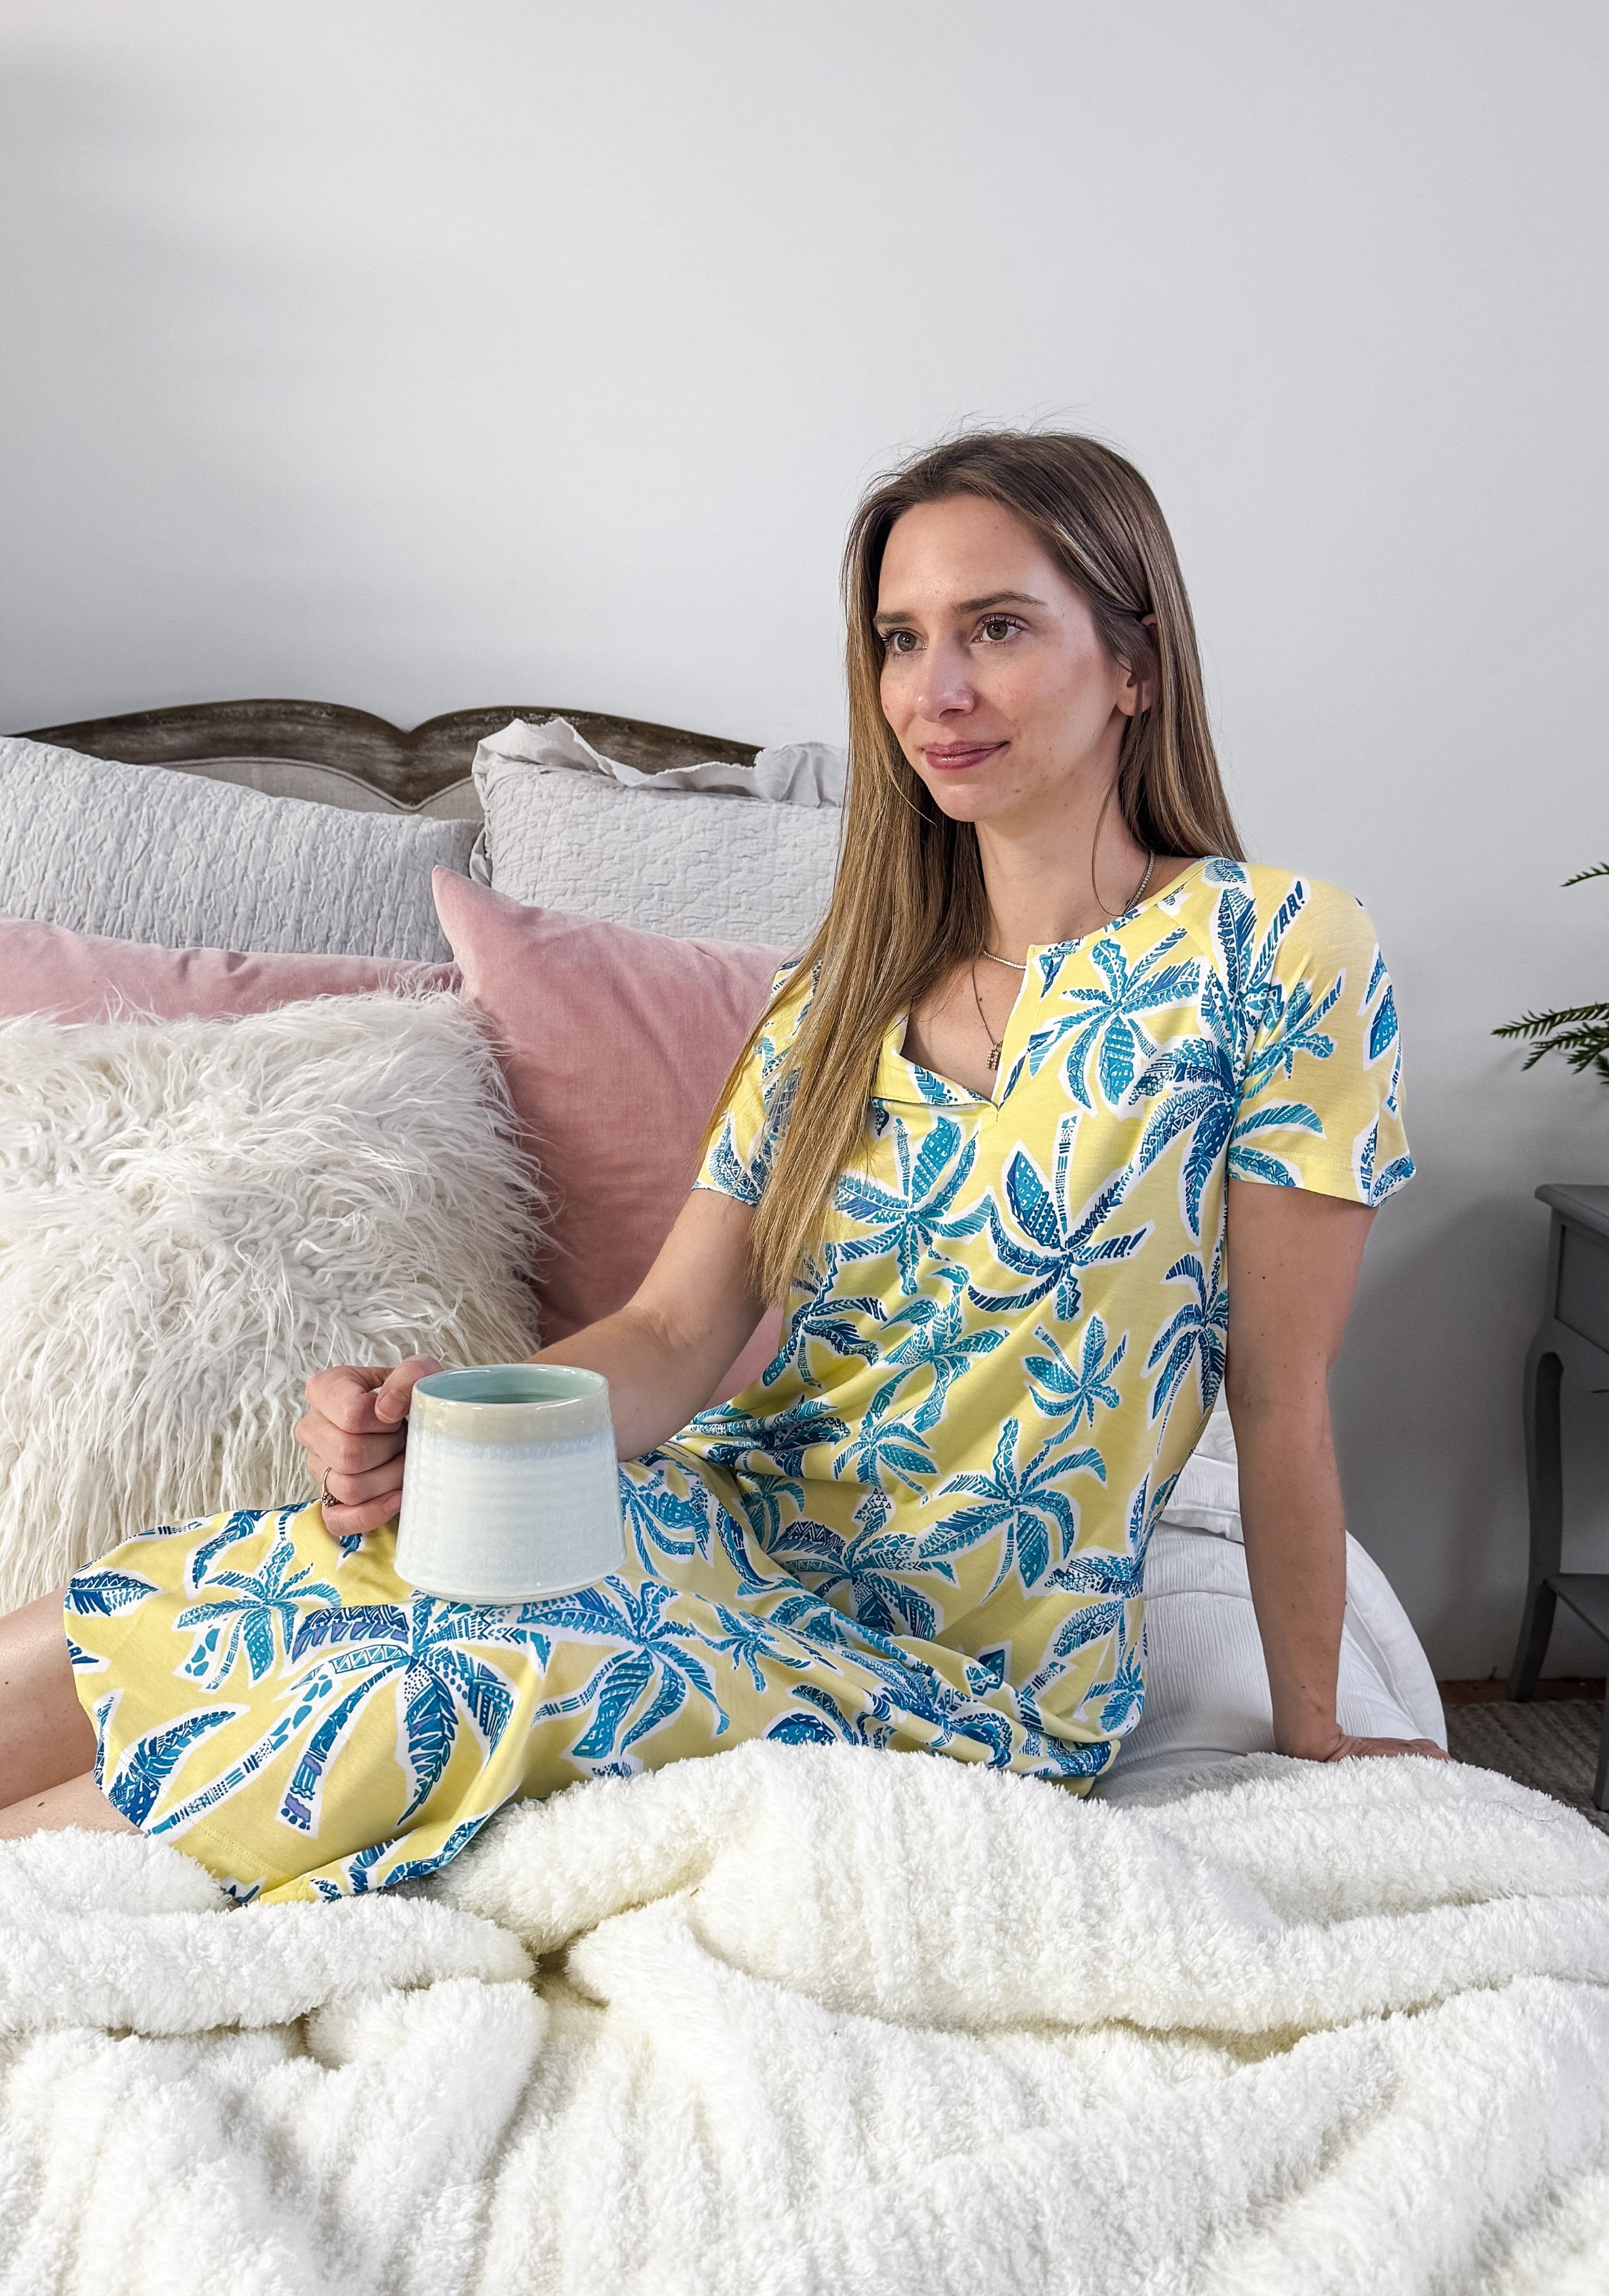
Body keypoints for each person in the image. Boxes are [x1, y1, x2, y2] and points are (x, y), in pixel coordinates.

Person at [0, 430, 1444, 1901]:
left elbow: (1276, 1390)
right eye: (899, 641)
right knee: (298, 1566)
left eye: (995, 629)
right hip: (721, 1513)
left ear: (1134, 661)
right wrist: (459, 1426)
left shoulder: (1277, 952)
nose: (933, 692)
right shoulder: (837, 997)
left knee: (462, 1673)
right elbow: (676, 1333)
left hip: (949, 1657)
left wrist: (1317, 1732)